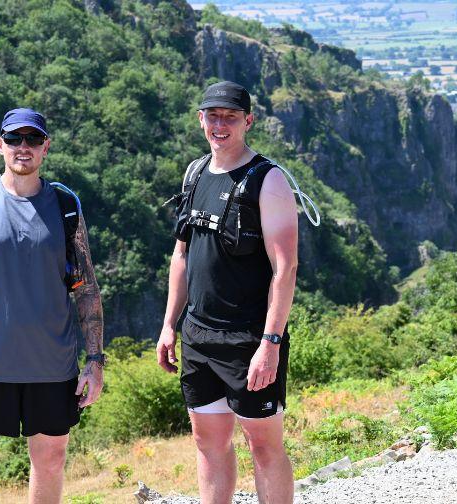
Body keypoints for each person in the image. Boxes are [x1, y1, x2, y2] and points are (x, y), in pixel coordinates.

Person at [0, 108, 105, 504]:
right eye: (14, 139)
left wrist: (95, 361)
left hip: (52, 365)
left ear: (45, 147)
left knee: (50, 462)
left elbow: (87, 289)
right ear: (0, 145)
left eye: (32, 139)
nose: (22, 147)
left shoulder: (65, 207)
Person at [156, 81, 298, 504]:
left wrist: (270, 343)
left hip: (248, 338)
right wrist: (169, 326)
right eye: (212, 116)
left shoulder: (267, 181)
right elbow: (181, 255)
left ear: (248, 121)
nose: (220, 125)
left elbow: (285, 268)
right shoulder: (195, 172)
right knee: (209, 443)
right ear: (200, 119)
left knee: (263, 445)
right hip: (198, 337)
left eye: (230, 117)